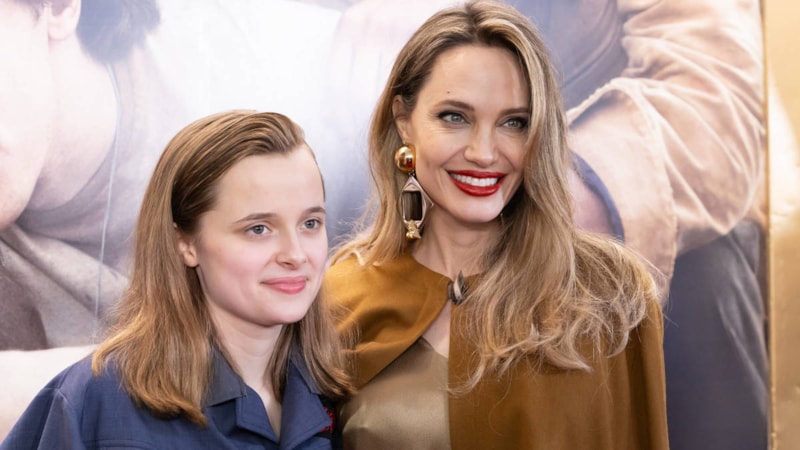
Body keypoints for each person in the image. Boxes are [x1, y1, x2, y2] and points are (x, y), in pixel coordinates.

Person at [324, 1, 669, 448]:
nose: (484, 153)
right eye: (454, 117)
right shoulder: (340, 297)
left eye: (514, 123)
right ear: (404, 121)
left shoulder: (611, 293)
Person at [1, 110, 353, 449]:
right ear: (185, 243)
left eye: (310, 224)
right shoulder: (95, 403)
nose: (295, 254)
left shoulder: (341, 400)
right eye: (258, 229)